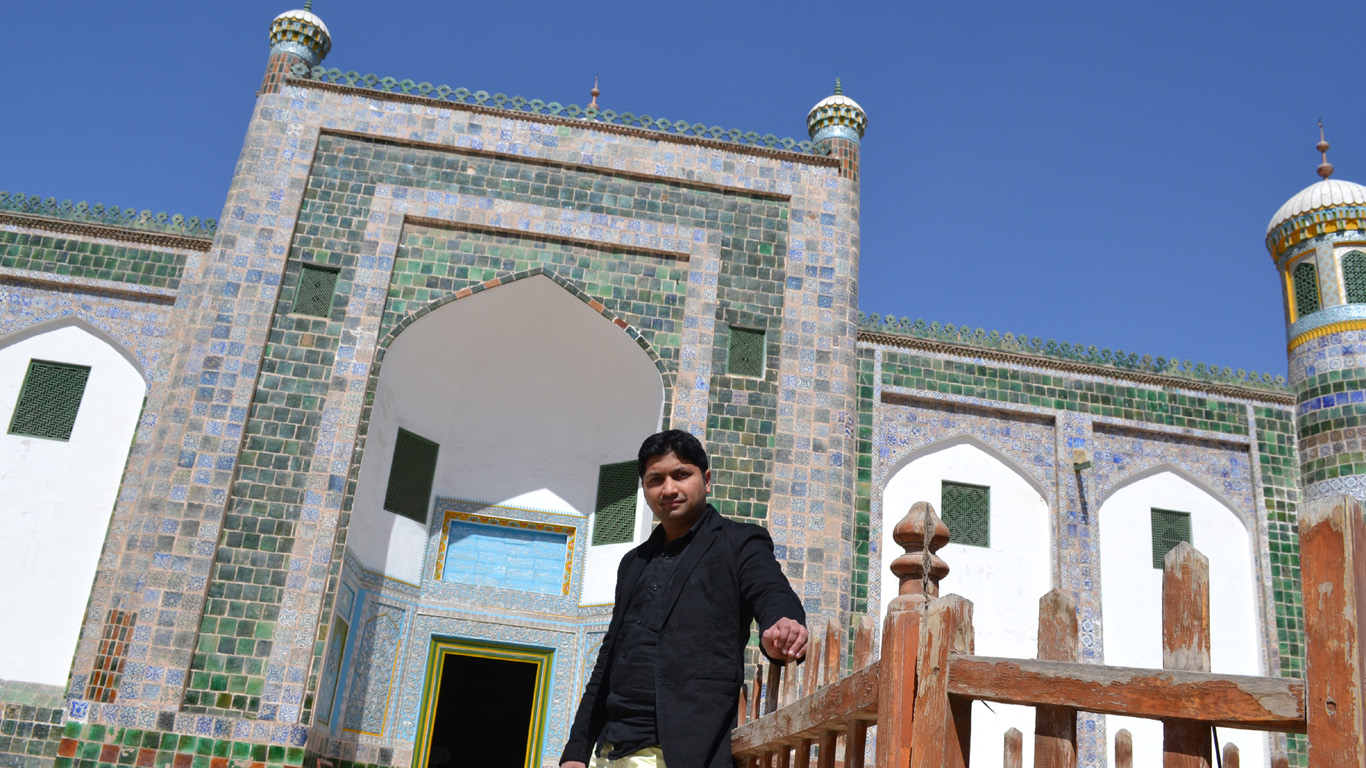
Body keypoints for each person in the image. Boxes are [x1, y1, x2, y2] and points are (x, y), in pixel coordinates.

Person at [560, 430, 808, 768]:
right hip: (610, 748)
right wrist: (576, 753)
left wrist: (781, 623)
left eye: (681, 475)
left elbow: (769, 590)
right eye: (655, 479)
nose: (669, 489)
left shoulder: (738, 543)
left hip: (682, 751)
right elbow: (609, 658)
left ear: (706, 480)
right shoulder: (634, 563)